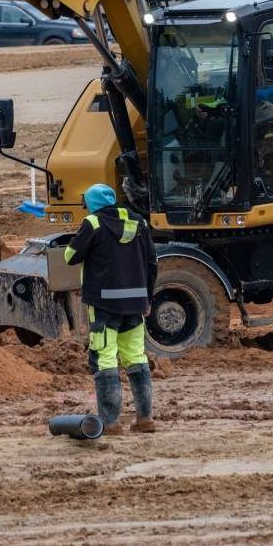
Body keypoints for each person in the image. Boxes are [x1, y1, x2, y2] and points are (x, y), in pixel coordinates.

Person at [64, 183, 158, 435]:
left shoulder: (93, 223)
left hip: (104, 305)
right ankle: (145, 419)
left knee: (104, 359)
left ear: (92, 204)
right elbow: (152, 262)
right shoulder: (140, 223)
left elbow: (70, 256)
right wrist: (147, 298)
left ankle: (111, 423)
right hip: (136, 304)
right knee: (136, 358)